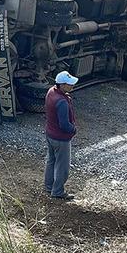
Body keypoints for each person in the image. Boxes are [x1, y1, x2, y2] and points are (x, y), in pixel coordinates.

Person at [45, 71, 79, 200]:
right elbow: (64, 125)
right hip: (61, 138)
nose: (72, 87)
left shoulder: (51, 92)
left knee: (51, 161)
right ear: (62, 85)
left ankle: (49, 186)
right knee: (62, 166)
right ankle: (58, 191)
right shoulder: (62, 102)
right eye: (70, 85)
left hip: (50, 134)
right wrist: (73, 129)